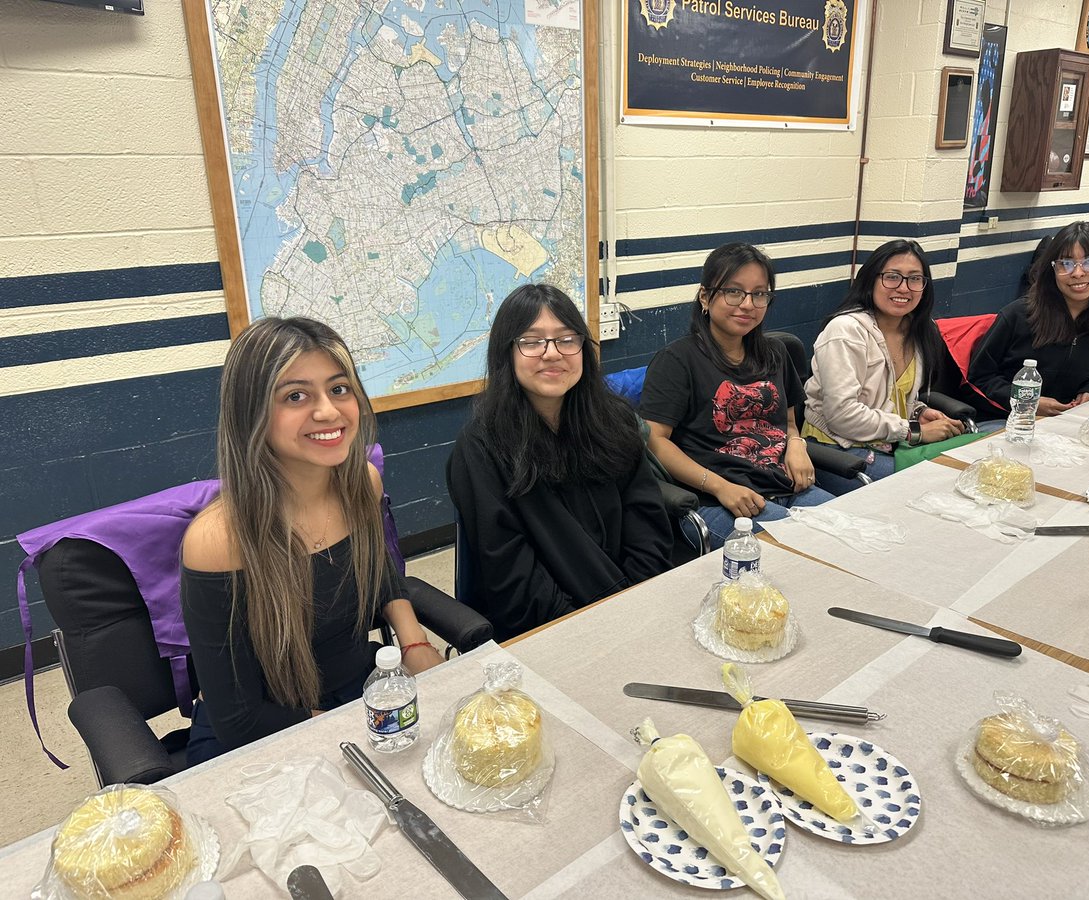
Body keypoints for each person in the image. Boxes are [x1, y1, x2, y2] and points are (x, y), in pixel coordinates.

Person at [181, 317, 442, 764]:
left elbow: (380, 572)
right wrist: (353, 735)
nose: (328, 411)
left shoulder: (362, 482)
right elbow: (237, 719)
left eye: (339, 389)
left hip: (361, 693)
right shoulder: (218, 539)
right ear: (252, 415)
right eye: (296, 396)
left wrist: (414, 641)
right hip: (266, 732)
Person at [447, 283, 672, 643]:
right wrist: (590, 631)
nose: (552, 353)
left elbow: (648, 528)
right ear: (506, 353)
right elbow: (512, 579)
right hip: (548, 632)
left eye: (567, 339)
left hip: (633, 607)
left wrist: (635, 607)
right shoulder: (481, 448)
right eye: (532, 341)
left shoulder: (613, 421)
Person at [640, 242, 834, 546]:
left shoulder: (775, 353)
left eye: (759, 293)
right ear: (705, 296)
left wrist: (796, 446)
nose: (747, 304)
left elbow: (789, 422)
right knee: (807, 556)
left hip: (787, 487)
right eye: (734, 291)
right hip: (718, 501)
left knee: (851, 538)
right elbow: (655, 440)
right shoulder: (678, 360)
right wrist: (719, 487)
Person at [802, 239, 965, 494]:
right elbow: (842, 416)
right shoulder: (846, 331)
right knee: (933, 487)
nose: (903, 288)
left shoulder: (918, 329)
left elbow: (886, 396)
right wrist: (914, 431)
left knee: (965, 469)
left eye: (914, 279)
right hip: (838, 450)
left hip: (889, 443)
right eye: (892, 277)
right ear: (871, 280)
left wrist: (917, 412)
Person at [969, 221, 1089, 415]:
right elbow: (979, 378)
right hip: (1010, 419)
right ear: (1052, 269)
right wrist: (1027, 400)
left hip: (1077, 420)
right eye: (1066, 264)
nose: (1077, 273)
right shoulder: (1017, 315)